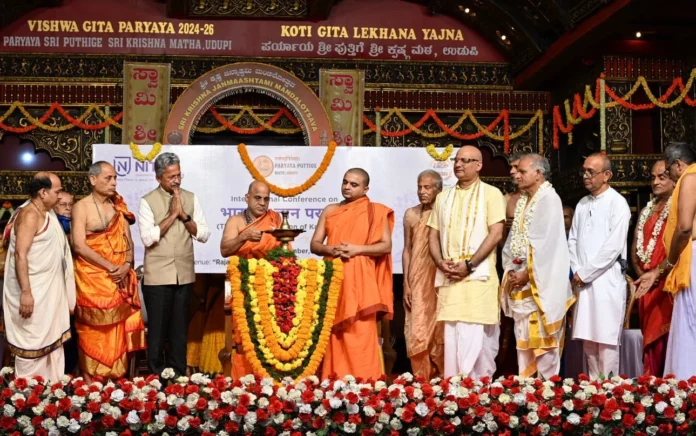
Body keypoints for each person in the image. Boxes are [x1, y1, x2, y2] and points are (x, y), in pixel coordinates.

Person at [427, 146, 505, 379]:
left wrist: (469, 265)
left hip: (478, 280)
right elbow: (433, 235)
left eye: (465, 160)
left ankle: (477, 390)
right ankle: (454, 389)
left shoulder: (492, 194)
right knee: (452, 338)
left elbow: (496, 234)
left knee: (479, 339)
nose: (458, 164)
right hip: (450, 278)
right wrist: (440, 262)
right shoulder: (443, 197)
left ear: (478, 165)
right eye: (456, 160)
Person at [310, 168, 394, 380]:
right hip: (334, 277)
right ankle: (333, 381)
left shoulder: (375, 211)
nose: (347, 187)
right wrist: (331, 250)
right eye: (345, 182)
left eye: (354, 184)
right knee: (333, 333)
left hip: (362, 283)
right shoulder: (331, 210)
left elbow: (386, 246)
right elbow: (315, 244)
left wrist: (357, 249)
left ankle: (365, 383)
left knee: (361, 332)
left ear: (366, 189)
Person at [501, 155, 575, 378]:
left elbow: (548, 246)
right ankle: (527, 390)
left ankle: (548, 393)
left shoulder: (549, 199)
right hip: (521, 283)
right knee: (524, 342)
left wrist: (527, 274)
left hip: (542, 285)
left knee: (544, 344)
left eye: (522, 171)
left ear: (538, 174)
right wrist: (511, 269)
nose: (516, 175)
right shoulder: (523, 200)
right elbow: (513, 241)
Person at [139, 152, 210, 378]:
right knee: (158, 333)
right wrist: (172, 216)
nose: (177, 180)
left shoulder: (191, 197)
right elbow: (148, 238)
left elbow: (204, 234)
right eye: (171, 177)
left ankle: (178, 378)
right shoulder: (147, 201)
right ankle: (156, 380)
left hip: (184, 275)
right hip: (157, 277)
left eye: (179, 175)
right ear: (159, 177)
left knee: (179, 331)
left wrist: (184, 216)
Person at [72, 162, 145, 381]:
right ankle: (91, 386)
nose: (113, 183)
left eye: (115, 178)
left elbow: (128, 242)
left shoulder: (118, 207)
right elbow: (79, 245)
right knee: (93, 330)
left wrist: (126, 265)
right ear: (93, 180)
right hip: (92, 280)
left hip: (119, 280)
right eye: (108, 178)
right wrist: (110, 267)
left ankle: (116, 385)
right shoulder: (82, 207)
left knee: (118, 329)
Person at [3, 172, 75, 381]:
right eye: (57, 191)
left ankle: (51, 392)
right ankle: (28, 395)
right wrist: (26, 293)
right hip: (34, 294)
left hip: (49, 295)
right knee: (32, 346)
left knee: (53, 347)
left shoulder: (47, 213)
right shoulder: (29, 215)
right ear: (43, 192)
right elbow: (20, 254)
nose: (60, 196)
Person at [636, 142, 696, 379]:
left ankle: (687, 385)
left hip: (692, 257)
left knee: (689, 324)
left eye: (668, 171)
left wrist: (669, 263)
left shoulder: (690, 178)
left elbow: (684, 228)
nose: (670, 177)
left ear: (678, 164)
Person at [568, 153, 630, 379]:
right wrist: (577, 270)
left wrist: (585, 272)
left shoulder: (617, 203)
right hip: (582, 282)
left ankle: (610, 391)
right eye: (584, 171)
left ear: (607, 175)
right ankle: (592, 390)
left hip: (606, 280)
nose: (585, 176)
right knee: (588, 340)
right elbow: (572, 240)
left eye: (591, 172)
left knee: (605, 340)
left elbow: (613, 247)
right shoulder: (582, 203)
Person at [219, 180, 283, 379]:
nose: (262, 203)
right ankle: (243, 376)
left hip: (270, 286)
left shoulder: (275, 219)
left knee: (271, 336)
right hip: (243, 287)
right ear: (247, 198)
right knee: (245, 337)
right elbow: (224, 250)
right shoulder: (236, 221)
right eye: (257, 198)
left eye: (266, 199)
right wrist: (243, 236)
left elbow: (282, 252)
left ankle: (269, 377)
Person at [629, 160, 675, 376]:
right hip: (646, 285)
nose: (655, 182)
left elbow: (679, 248)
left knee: (666, 338)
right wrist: (644, 276)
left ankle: (671, 384)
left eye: (661, 177)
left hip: (668, 283)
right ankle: (652, 383)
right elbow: (635, 249)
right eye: (653, 177)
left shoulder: (678, 207)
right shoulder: (647, 210)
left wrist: (657, 275)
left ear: (674, 179)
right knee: (649, 341)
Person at [403, 170, 444, 379]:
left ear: (439, 189)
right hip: (417, 278)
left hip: (441, 277)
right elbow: (407, 250)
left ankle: (441, 379)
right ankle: (421, 380)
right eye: (419, 187)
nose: (422, 191)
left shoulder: (446, 213)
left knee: (440, 329)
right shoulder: (411, 214)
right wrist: (406, 284)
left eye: (427, 187)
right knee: (417, 328)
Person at [53, 190, 79, 375]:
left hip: (76, 288)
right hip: (55, 290)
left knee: (73, 335)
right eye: (63, 205)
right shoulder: (49, 226)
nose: (68, 208)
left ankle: (70, 375)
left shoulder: (77, 225)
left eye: (71, 204)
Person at [501, 153, 524, 247]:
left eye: (516, 167)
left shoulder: (542, 197)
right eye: (511, 167)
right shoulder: (506, 199)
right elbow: (499, 235)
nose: (511, 171)